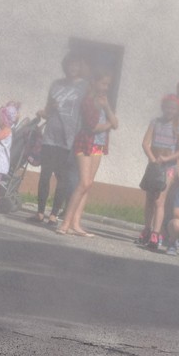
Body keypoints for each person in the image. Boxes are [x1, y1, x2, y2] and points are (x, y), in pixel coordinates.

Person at [58, 71, 119, 237]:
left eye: (108, 85)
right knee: (83, 182)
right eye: (103, 83)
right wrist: (108, 124)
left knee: (89, 184)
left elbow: (116, 123)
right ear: (94, 82)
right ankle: (65, 223)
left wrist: (106, 107)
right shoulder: (87, 101)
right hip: (85, 143)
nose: (105, 87)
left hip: (98, 145)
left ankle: (76, 223)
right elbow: (92, 127)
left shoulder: (105, 101)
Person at [33, 53, 88, 225]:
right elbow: (48, 109)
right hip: (50, 136)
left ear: (80, 68)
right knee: (45, 175)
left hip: (69, 138)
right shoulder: (56, 84)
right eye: (70, 65)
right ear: (65, 66)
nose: (72, 68)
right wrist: (46, 110)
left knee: (62, 178)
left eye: (76, 65)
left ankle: (54, 214)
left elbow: (87, 113)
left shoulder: (85, 87)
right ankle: (40, 212)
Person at [140, 94, 179, 249]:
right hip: (154, 165)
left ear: (177, 110)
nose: (170, 110)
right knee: (149, 198)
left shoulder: (178, 126)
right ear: (163, 107)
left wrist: (168, 159)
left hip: (168, 167)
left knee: (159, 200)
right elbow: (145, 143)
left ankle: (156, 232)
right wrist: (153, 158)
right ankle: (146, 229)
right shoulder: (155, 122)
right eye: (167, 107)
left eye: (173, 108)